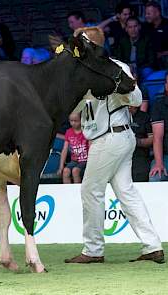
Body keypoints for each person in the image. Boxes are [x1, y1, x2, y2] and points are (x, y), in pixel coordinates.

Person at [65, 27, 164, 264]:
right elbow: (74, 109)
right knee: (126, 192)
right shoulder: (83, 71)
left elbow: (137, 99)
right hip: (116, 137)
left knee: (91, 190)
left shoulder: (116, 67)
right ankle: (153, 246)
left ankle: (93, 250)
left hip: (110, 137)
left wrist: (119, 89)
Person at [115, 17, 155, 82]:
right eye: (130, 27)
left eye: (135, 26)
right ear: (126, 29)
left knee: (147, 71)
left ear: (139, 27)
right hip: (127, 66)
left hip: (142, 67)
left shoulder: (147, 40)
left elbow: (151, 60)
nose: (133, 29)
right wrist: (127, 66)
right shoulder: (122, 41)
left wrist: (137, 68)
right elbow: (119, 59)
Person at [57, 113, 89, 184]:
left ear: (81, 120)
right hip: (74, 160)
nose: (73, 123)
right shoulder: (68, 132)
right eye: (71, 121)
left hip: (85, 160)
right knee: (65, 171)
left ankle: (77, 192)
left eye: (76, 121)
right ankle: (67, 192)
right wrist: (61, 166)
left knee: (75, 171)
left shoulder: (86, 131)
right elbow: (64, 149)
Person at [149, 72, 168, 181]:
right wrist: (159, 163)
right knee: (156, 177)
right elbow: (157, 138)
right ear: (166, 86)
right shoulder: (159, 106)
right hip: (166, 156)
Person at [129, 106, 153, 181]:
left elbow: (152, 139)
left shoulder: (144, 117)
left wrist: (137, 141)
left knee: (140, 177)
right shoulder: (118, 116)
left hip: (140, 154)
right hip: (120, 154)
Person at [144, 1, 168, 69]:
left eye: (148, 13)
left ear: (157, 13)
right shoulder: (145, 27)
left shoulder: (166, 25)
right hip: (149, 61)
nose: (146, 16)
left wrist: (162, 54)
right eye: (145, 13)